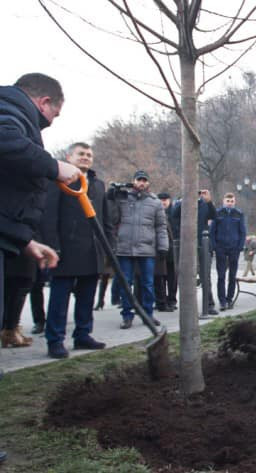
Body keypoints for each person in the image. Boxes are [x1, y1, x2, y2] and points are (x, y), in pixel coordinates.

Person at [0, 72, 81, 464]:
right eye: (54, 115)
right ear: (44, 101)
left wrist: (24, 241)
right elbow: (9, 146)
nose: (50, 124)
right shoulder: (8, 109)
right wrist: (55, 167)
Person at [41, 142, 113, 358]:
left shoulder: (98, 185)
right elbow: (49, 217)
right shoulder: (58, 182)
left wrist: (109, 247)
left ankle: (82, 334)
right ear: (69, 157)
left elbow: (105, 219)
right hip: (67, 250)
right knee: (59, 298)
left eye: (89, 154)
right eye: (81, 154)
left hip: (93, 252)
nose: (85, 157)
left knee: (87, 297)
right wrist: (53, 247)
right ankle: (55, 340)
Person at [111, 170, 168, 329]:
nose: (141, 183)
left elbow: (161, 227)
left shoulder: (155, 202)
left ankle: (148, 314)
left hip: (147, 248)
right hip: (125, 248)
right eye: (139, 180)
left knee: (148, 284)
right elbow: (112, 218)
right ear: (133, 181)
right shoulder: (123, 199)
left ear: (148, 183)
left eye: (144, 180)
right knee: (126, 283)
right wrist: (113, 197)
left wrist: (163, 246)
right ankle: (127, 315)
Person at [172, 189, 217, 314]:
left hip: (202, 243)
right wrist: (182, 201)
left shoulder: (203, 205)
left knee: (205, 276)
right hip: (186, 244)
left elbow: (214, 216)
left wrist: (209, 202)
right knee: (185, 276)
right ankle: (187, 306)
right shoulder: (182, 204)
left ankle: (209, 305)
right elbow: (174, 215)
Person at [209, 193, 246, 310]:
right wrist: (215, 246)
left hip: (234, 248)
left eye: (232, 201)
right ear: (223, 201)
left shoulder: (239, 214)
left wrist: (240, 247)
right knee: (221, 276)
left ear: (234, 202)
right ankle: (222, 301)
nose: (230, 203)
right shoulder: (218, 213)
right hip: (221, 248)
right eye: (228, 201)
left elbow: (243, 232)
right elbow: (212, 232)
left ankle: (229, 299)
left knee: (232, 276)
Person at [156, 192, 177, 311]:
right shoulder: (156, 212)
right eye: (161, 200)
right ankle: (162, 300)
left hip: (172, 250)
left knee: (172, 278)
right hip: (160, 250)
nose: (164, 202)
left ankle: (172, 299)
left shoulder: (174, 213)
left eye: (166, 200)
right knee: (160, 277)